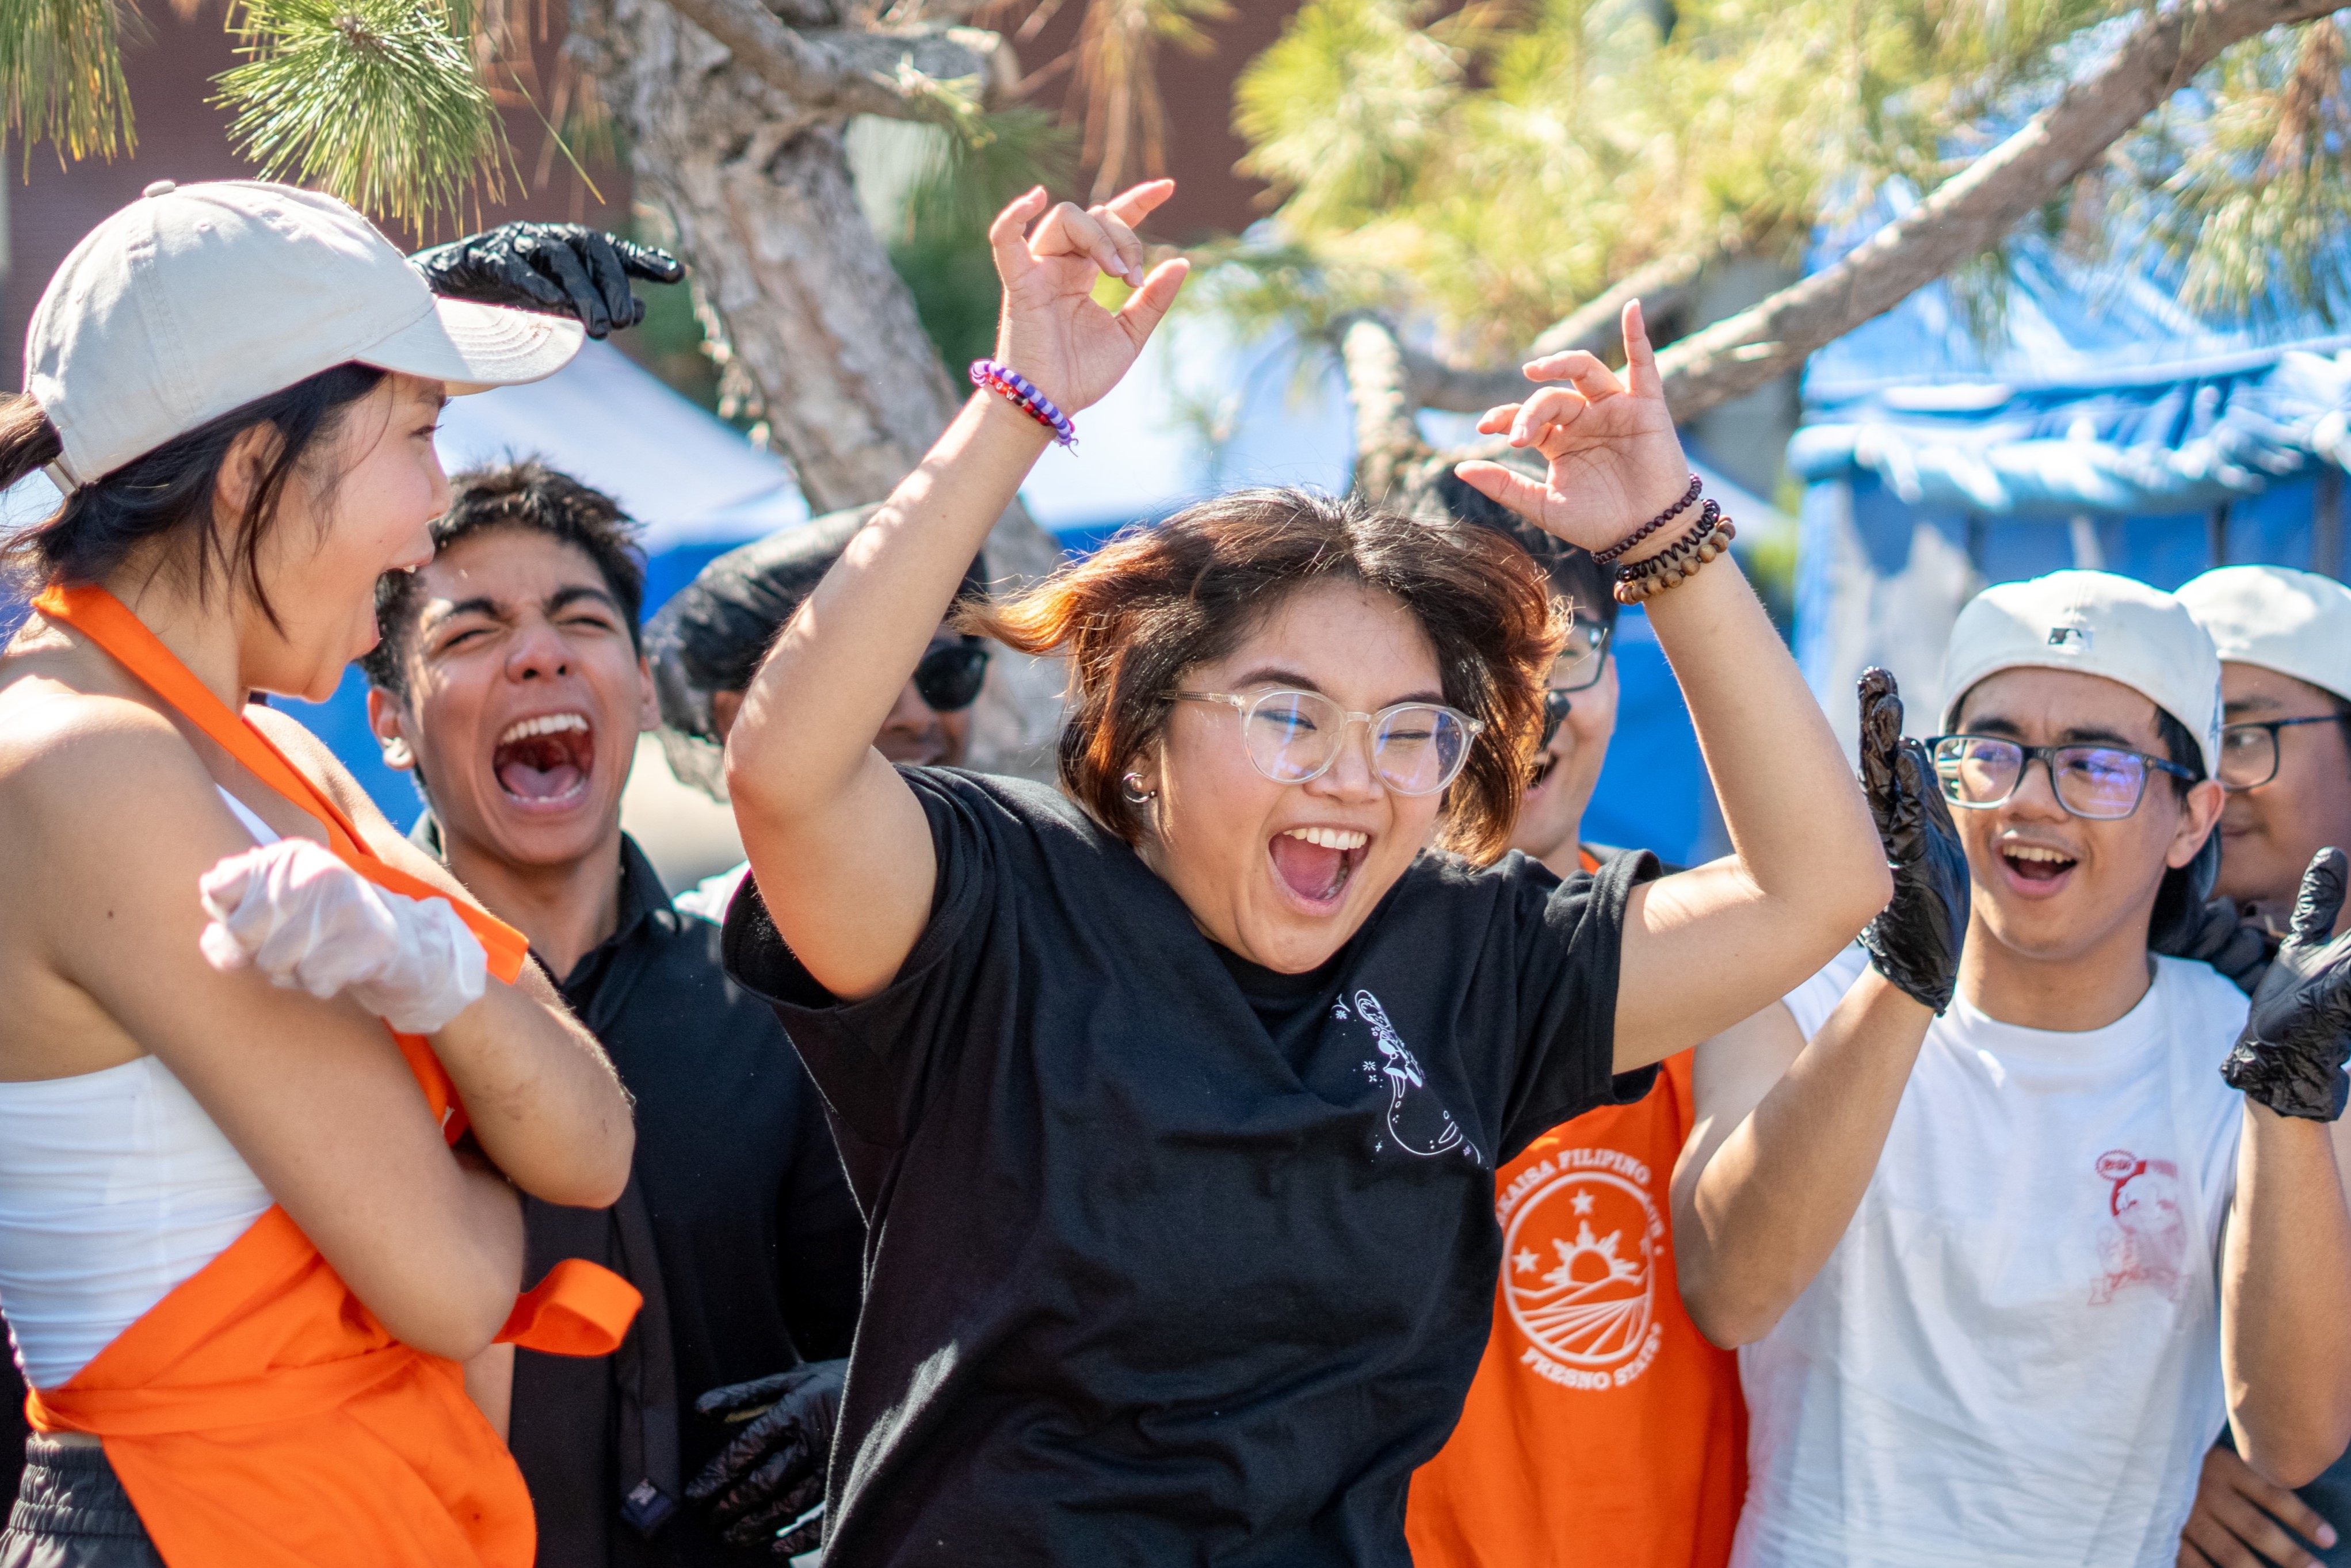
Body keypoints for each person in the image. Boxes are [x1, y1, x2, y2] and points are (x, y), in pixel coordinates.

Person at [714, 177, 1891, 1564]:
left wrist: (1666, 540)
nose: (1352, 776)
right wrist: (1019, 401)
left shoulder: (1468, 949)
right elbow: (782, 770)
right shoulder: (1000, 901)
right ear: (1141, 729)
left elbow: (1821, 890)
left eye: (1408, 733)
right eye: (1288, 714)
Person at [0, 183, 658, 1567]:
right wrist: (478, 1052)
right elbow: (456, 1279)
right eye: (419, 434)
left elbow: (594, 1138)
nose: (433, 520)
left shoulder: (255, 745)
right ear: (250, 466)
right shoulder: (82, 760)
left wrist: (437, 992)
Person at [1674, 570, 2351, 1568]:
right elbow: (1728, 1293)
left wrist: (2288, 1108)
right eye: (1990, 755)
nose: (2032, 800)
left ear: (2193, 821)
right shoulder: (1794, 997)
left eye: (2097, 765)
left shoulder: (2247, 1055)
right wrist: (1904, 984)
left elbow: (2292, 1436)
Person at [360, 461, 865, 1564]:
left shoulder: (777, 1002)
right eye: (470, 633)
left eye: (578, 620)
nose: (538, 652)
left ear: (639, 686)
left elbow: (890, 1312)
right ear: (388, 722)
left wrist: (853, 1393)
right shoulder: (332, 1013)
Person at [1403, 472, 1749, 1568]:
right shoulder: (1290, 958)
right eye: (1475, 665)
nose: (1527, 706)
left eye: (1567, 654)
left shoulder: (1704, 955)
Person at [2171, 563, 2351, 1568]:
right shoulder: (2121, 990)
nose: (2212, 784)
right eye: (2187, 745)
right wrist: (2154, 1454)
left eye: (2244, 735)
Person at [643, 505, 991, 923]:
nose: (916, 716)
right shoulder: (700, 955)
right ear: (738, 718)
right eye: (865, 683)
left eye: (947, 671)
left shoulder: (1049, 906)